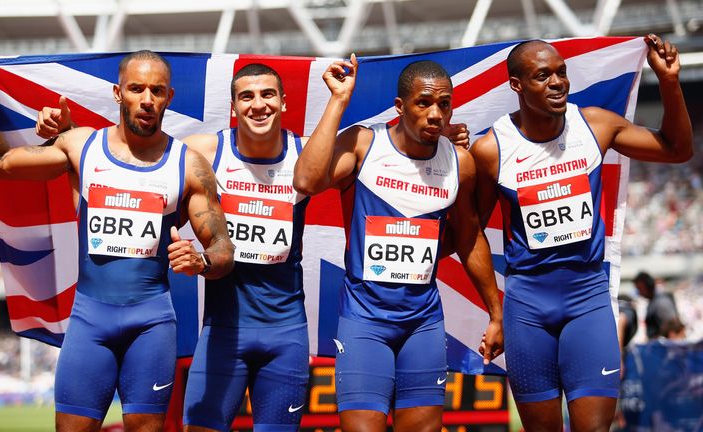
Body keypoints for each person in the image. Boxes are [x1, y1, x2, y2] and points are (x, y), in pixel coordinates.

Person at [0, 50, 235, 432]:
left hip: (150, 324)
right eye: (137, 89)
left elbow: (223, 247)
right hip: (90, 320)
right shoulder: (81, 146)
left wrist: (201, 261)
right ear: (119, 92)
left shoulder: (189, 165)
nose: (147, 99)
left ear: (169, 97)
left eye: (157, 90)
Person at [39, 63, 312, 432]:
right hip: (224, 328)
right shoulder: (202, 152)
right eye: (247, 96)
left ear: (283, 102)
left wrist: (340, 98)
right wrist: (68, 133)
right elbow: (126, 154)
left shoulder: (305, 159)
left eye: (268, 95)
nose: (258, 104)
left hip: (285, 329)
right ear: (233, 106)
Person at [469, 34, 693, 431]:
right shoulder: (492, 149)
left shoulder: (594, 125)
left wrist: (670, 83)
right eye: (543, 76)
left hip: (587, 298)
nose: (557, 82)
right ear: (516, 85)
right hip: (527, 307)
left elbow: (677, 149)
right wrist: (495, 310)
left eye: (561, 73)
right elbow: (469, 231)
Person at [293, 57, 504, 431]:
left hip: (422, 322)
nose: (436, 113)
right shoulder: (363, 144)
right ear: (400, 106)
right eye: (424, 103)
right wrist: (339, 100)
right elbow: (307, 181)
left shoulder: (460, 163)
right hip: (364, 319)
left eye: (444, 103)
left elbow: (470, 239)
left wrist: (495, 312)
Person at [633, 271, 679, 339]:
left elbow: (673, 323)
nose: (639, 292)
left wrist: (659, 338)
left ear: (648, 285)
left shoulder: (661, 301)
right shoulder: (652, 301)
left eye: (640, 288)